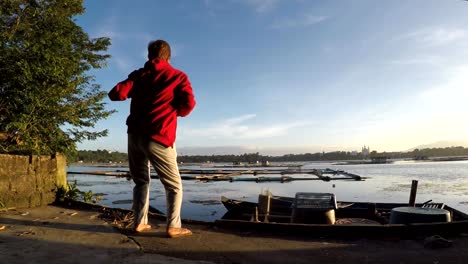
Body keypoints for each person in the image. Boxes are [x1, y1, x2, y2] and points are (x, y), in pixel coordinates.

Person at [108, 39, 196, 238]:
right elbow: (188, 104)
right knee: (174, 186)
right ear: (168, 56)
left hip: (134, 136)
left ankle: (140, 223)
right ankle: (173, 226)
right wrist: (175, 112)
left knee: (141, 182)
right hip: (159, 135)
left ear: (149, 56)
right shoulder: (177, 76)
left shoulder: (139, 75)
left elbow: (116, 93)